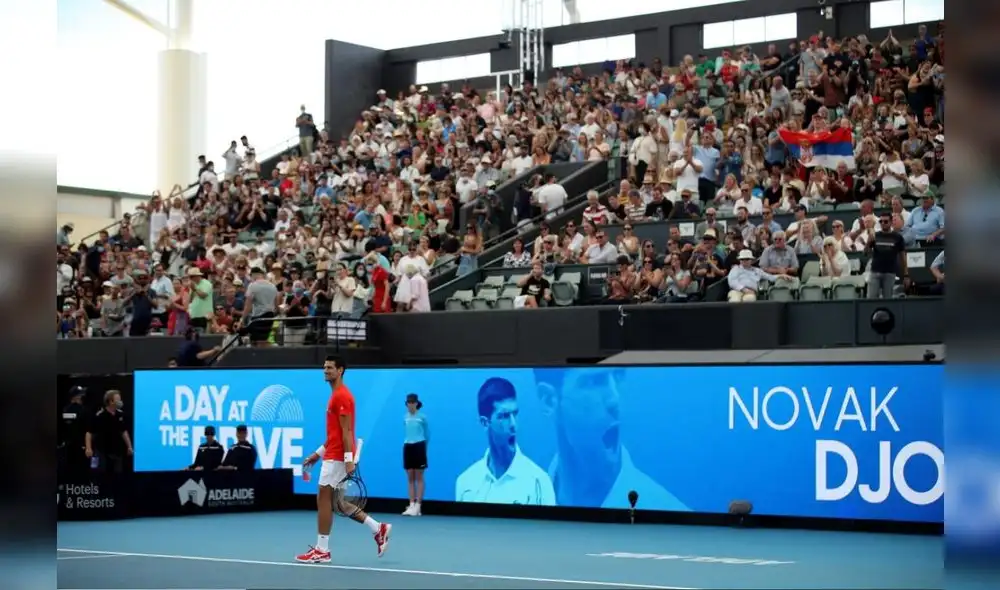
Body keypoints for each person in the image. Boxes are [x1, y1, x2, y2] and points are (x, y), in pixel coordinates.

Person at [534, 368, 690, 511]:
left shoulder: (670, 518)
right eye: (594, 381)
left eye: (618, 375)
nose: (615, 399)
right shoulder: (523, 499)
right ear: (549, 400)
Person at [297, 356, 391, 563]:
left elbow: (347, 432)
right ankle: (378, 528)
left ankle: (322, 550)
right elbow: (334, 435)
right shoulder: (335, 396)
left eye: (330, 368)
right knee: (337, 504)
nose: (325, 371)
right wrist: (317, 454)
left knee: (323, 499)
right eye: (324, 367)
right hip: (334, 453)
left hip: (338, 457)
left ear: (340, 370)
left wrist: (348, 460)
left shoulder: (342, 396)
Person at [454, 377, 555, 505]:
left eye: (515, 414)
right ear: (485, 423)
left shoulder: (539, 481)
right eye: (504, 416)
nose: (513, 424)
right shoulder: (466, 482)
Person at [84, 390, 133, 475]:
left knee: (117, 474)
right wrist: (88, 448)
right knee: (97, 472)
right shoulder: (99, 415)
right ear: (110, 401)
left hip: (117, 450)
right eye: (118, 399)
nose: (120, 401)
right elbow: (89, 432)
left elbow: (123, 431)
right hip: (100, 451)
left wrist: (129, 446)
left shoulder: (120, 414)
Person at [402, 393, 429, 516]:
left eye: (413, 402)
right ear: (406, 404)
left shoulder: (422, 417)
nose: (411, 404)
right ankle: (411, 504)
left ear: (417, 403)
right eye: (409, 402)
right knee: (410, 477)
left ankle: (418, 505)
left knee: (419, 477)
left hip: (419, 446)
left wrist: (423, 447)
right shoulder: (405, 417)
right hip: (408, 446)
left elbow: (427, 435)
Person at [239, 265, 278, 348]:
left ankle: (274, 350)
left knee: (260, 343)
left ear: (252, 275)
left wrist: (242, 319)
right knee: (258, 341)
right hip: (270, 317)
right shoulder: (273, 286)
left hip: (258, 317)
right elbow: (276, 306)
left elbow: (248, 306)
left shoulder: (252, 285)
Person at [59, 385, 90, 478]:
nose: (82, 396)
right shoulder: (83, 410)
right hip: (80, 446)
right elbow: (87, 429)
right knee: (81, 473)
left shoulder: (65, 409)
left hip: (68, 446)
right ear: (75, 396)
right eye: (81, 394)